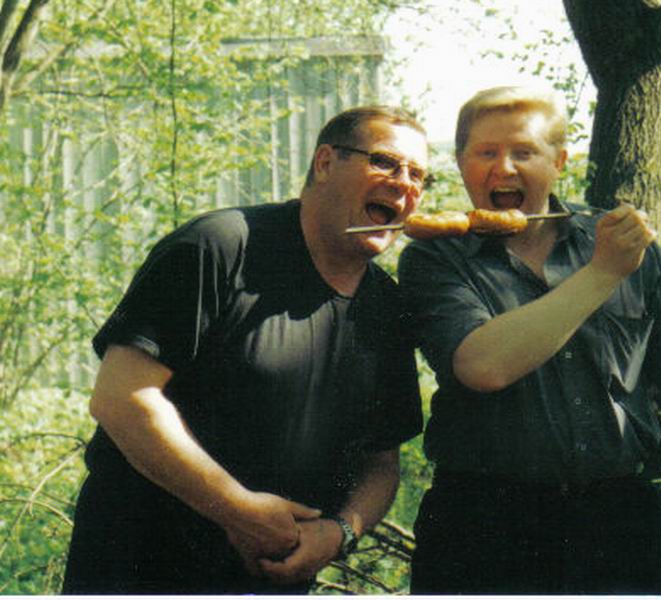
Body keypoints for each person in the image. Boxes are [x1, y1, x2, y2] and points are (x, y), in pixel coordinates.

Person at [62, 106, 428, 594]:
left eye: (419, 175)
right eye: (385, 162)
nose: (404, 184)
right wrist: (237, 509)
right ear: (324, 163)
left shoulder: (387, 307)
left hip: (274, 579)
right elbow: (121, 399)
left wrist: (339, 533)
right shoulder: (219, 247)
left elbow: (381, 461)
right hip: (138, 567)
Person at [398, 86, 661, 595]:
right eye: (486, 152)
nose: (504, 168)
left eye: (524, 152)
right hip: (482, 525)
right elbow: (482, 365)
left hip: (618, 520)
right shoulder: (434, 258)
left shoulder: (622, 244)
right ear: (461, 163)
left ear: (559, 162)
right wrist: (602, 274)